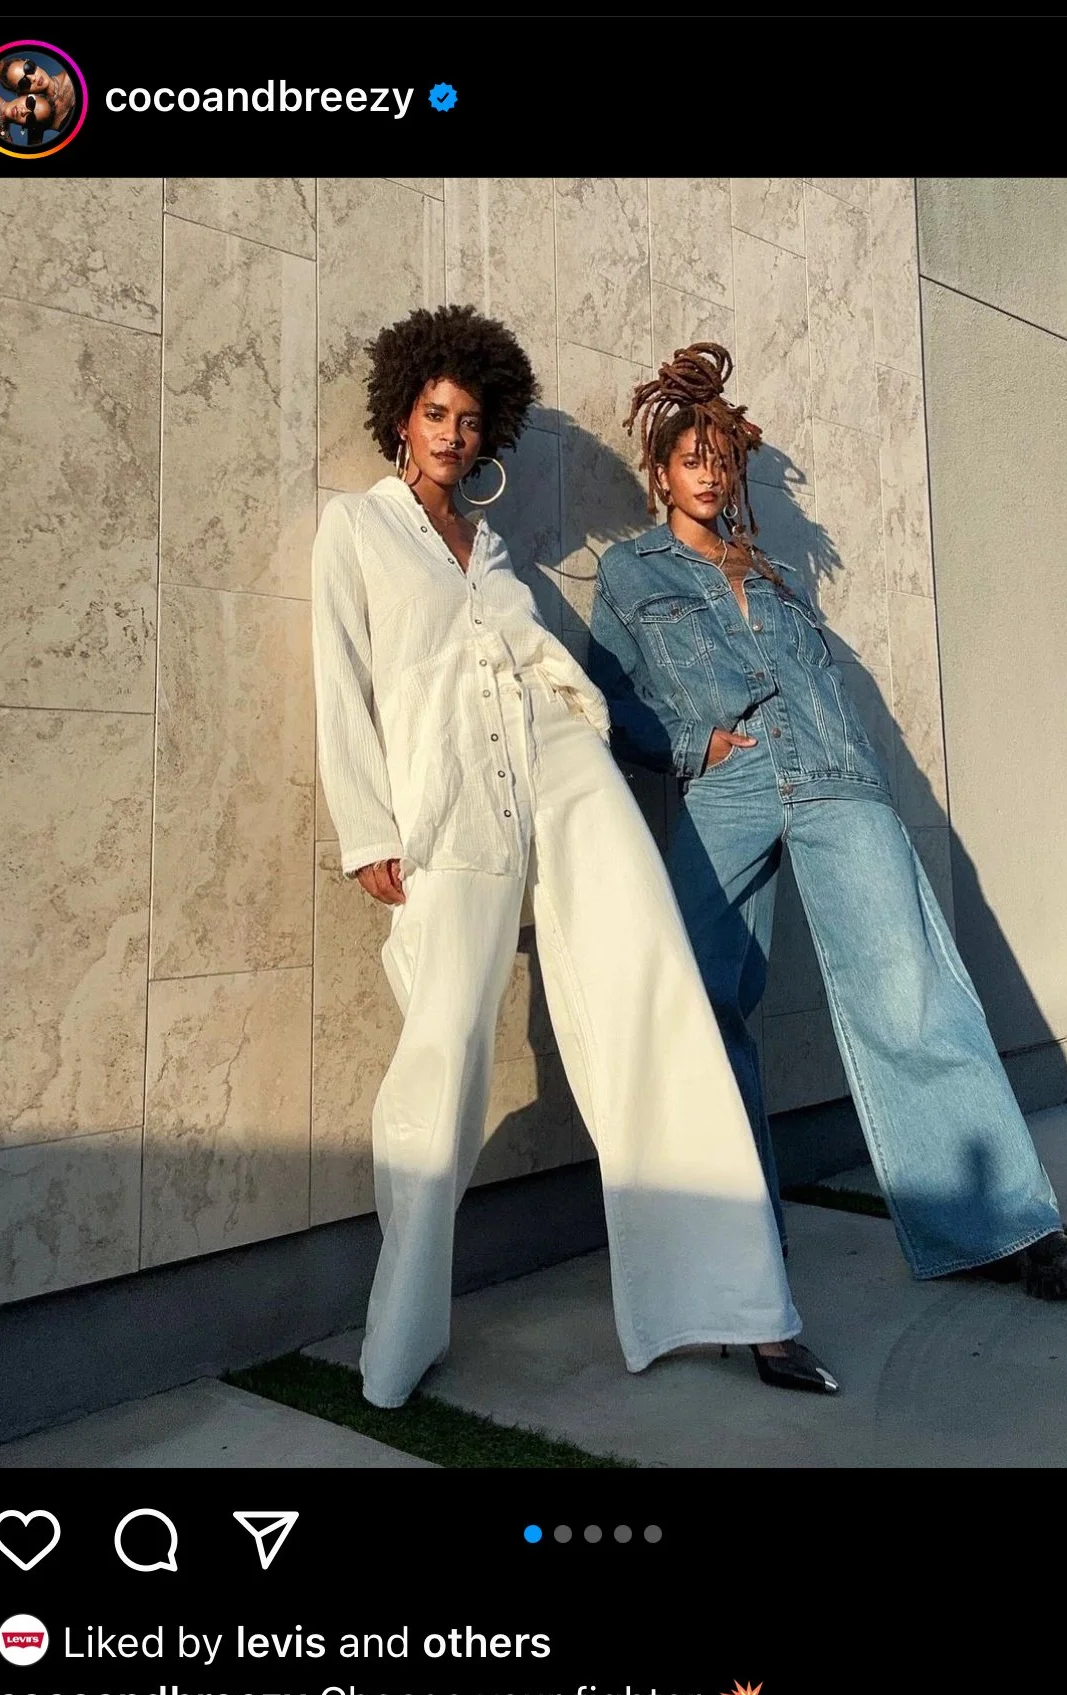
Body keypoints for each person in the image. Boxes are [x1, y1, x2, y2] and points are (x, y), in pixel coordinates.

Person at [312, 305, 838, 1409]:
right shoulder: (354, 531)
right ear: (401, 419)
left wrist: (593, 739)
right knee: (443, 1053)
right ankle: (397, 1339)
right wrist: (368, 827)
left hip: (556, 771)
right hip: (447, 812)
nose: (453, 435)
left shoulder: (493, 548)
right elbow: (343, 682)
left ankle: (736, 1300)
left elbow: (534, 659)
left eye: (470, 419)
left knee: (652, 988)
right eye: (435, 414)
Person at [588, 344, 1067, 1302]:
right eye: (689, 455)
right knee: (697, 998)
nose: (709, 469)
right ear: (658, 472)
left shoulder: (776, 576)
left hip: (834, 777)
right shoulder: (629, 572)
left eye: (721, 454)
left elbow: (818, 685)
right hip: (727, 788)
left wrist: (857, 768)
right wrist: (693, 746)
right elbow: (603, 695)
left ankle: (998, 1223)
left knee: (911, 992)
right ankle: (730, 1244)